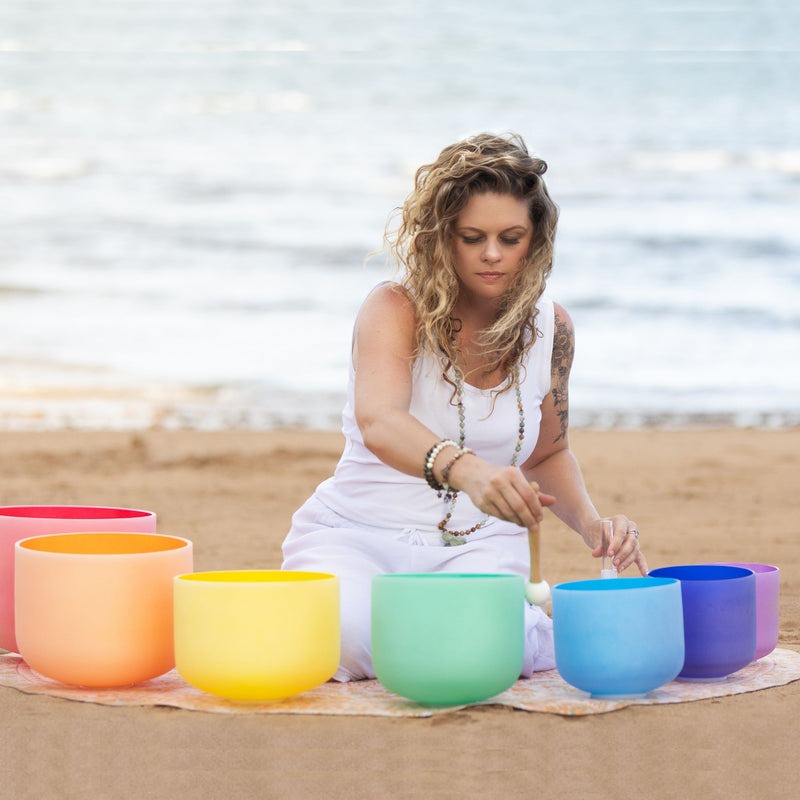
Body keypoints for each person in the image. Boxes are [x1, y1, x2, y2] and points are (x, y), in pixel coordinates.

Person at [282, 132, 648, 681]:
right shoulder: (394, 308)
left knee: (475, 654)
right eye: (472, 237)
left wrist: (594, 527)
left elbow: (547, 455)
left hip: (478, 545)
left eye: (512, 237)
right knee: (343, 639)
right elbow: (379, 421)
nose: (493, 254)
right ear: (441, 237)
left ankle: (501, 632)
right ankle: (492, 633)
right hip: (359, 533)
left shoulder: (554, 328)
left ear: (537, 239)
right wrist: (469, 471)